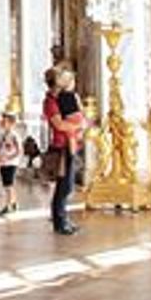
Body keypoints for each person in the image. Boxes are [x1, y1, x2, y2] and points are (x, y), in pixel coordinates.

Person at [44, 68, 85, 235]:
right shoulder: (50, 102)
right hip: (62, 146)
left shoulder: (61, 98)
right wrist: (78, 126)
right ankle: (59, 221)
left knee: (67, 185)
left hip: (70, 143)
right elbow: (59, 125)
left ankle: (63, 219)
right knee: (64, 186)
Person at [0, 111, 22, 216]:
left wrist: (9, 158)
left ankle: (8, 206)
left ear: (11, 123)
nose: (2, 122)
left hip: (11, 163)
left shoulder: (14, 135)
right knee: (7, 184)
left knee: (8, 185)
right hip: (3, 163)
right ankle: (14, 202)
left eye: (5, 121)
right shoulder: (2, 134)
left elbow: (19, 150)